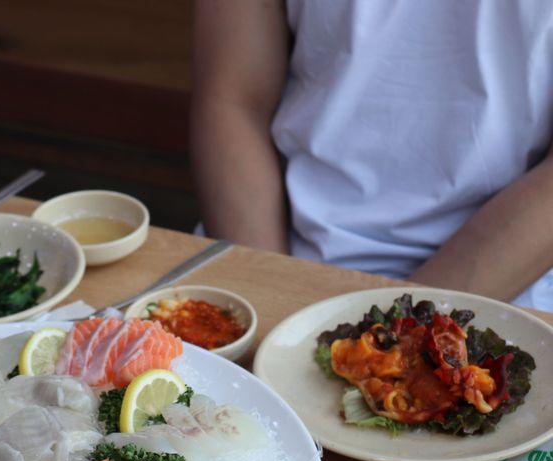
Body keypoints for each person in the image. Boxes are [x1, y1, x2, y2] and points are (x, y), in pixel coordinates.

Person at [190, 0, 553, 309]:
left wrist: (396, 331)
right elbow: (233, 100)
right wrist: (269, 300)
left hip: (505, 299)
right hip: (270, 259)